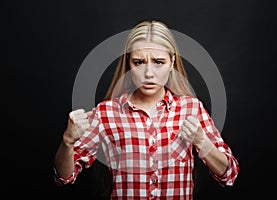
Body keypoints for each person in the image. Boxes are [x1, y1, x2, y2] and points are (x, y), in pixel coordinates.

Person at [53, 20, 239, 199]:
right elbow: (63, 178)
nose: (149, 73)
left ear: (172, 62)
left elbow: (229, 173)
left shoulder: (191, 108)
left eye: (158, 62)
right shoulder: (105, 113)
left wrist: (201, 141)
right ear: (129, 64)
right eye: (139, 62)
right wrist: (67, 141)